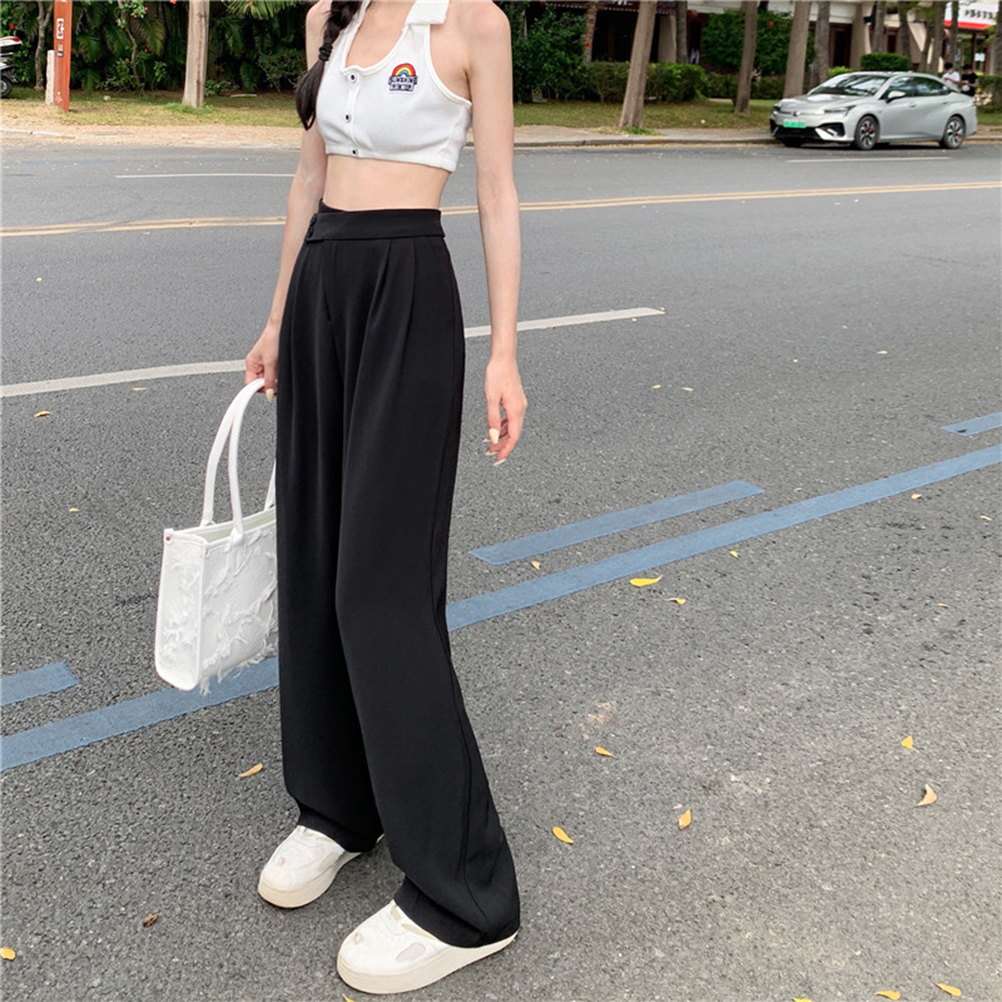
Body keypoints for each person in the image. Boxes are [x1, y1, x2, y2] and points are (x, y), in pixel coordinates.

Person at [243, 0, 526, 994]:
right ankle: (337, 807)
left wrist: (504, 354)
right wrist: (277, 319)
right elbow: (307, 176)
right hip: (322, 287)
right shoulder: (330, 14)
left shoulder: (472, 24)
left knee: (380, 589)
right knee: (314, 560)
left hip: (407, 291)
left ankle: (468, 895)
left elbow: (496, 190)